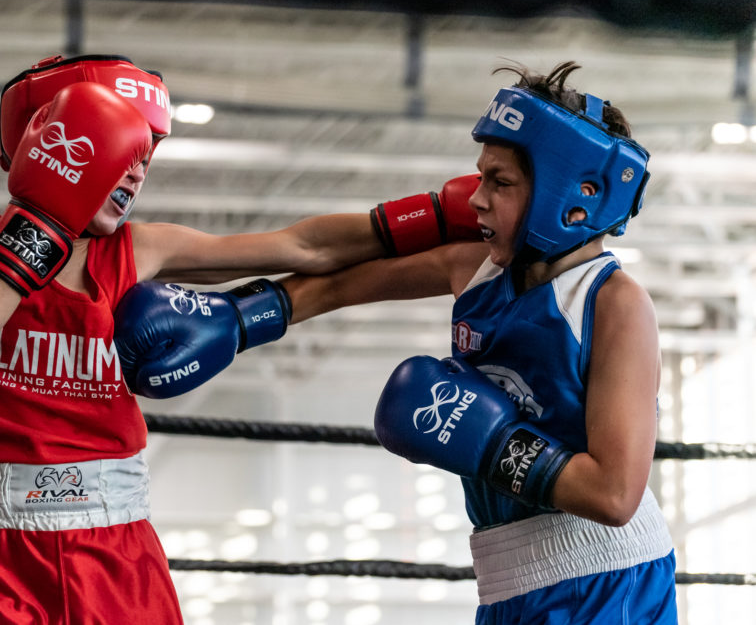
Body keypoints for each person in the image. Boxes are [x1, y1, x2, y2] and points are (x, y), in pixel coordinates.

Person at [115, 61, 678, 624]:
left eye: (500, 182)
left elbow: (614, 495)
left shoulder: (614, 304)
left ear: (570, 197)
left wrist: (492, 440)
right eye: (481, 177)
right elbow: (340, 281)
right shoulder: (477, 270)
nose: (476, 199)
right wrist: (240, 318)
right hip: (508, 580)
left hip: (609, 584)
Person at [0, 53, 482, 624]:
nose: (137, 172)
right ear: (52, 138)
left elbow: (302, 248)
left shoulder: (139, 249)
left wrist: (436, 215)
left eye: (145, 156)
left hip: (114, 546)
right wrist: (49, 207)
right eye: (120, 148)